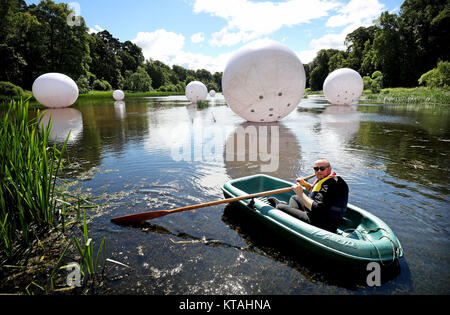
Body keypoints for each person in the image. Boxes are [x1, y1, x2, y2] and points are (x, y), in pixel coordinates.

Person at [268, 158, 349, 233]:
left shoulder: (331, 184)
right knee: (295, 198)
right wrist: (306, 185)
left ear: (329, 169)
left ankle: (283, 207)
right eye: (316, 169)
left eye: (322, 169)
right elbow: (318, 194)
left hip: (322, 223)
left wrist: (301, 193)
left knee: (280, 207)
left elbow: (317, 209)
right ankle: (296, 216)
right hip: (320, 215)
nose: (319, 171)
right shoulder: (330, 179)